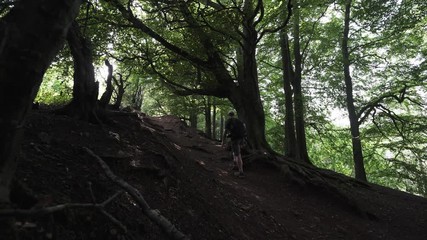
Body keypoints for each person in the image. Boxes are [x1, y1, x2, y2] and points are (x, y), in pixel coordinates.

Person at [221, 111, 246, 178]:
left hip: (235, 139)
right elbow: (244, 129)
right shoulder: (238, 121)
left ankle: (241, 172)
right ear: (234, 115)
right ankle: (235, 164)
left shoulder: (229, 121)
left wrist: (223, 142)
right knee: (235, 152)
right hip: (240, 138)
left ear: (229, 115)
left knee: (238, 155)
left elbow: (225, 132)